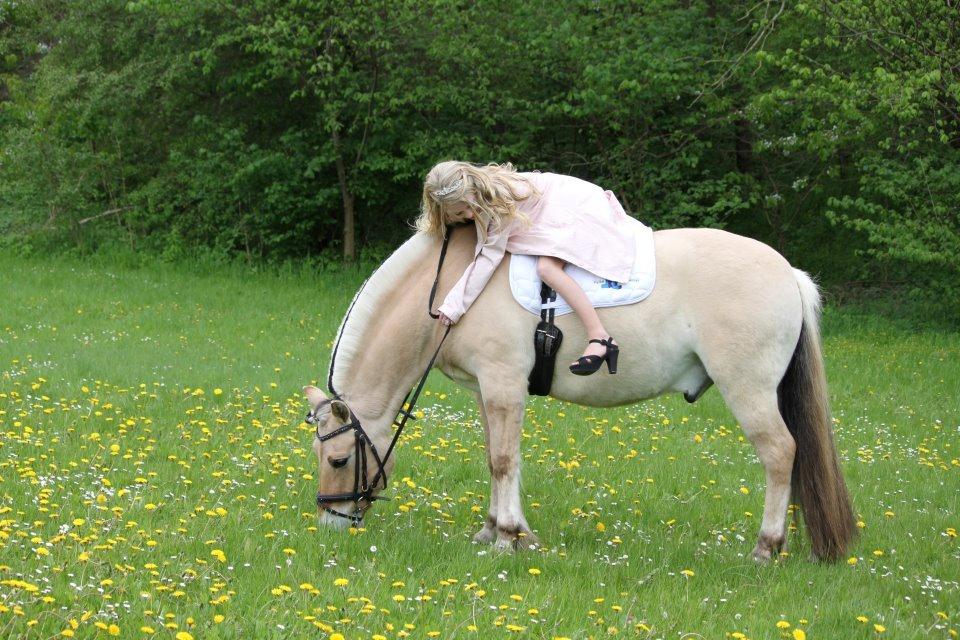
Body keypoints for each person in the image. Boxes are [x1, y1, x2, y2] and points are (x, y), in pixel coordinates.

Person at [417, 161, 636, 376]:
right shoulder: (474, 194)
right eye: (459, 213)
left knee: (547, 269)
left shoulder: (496, 201)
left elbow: (489, 258)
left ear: (474, 189)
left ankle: (600, 338)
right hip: (554, 202)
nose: (469, 215)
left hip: (571, 205)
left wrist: (455, 304)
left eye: (469, 207)